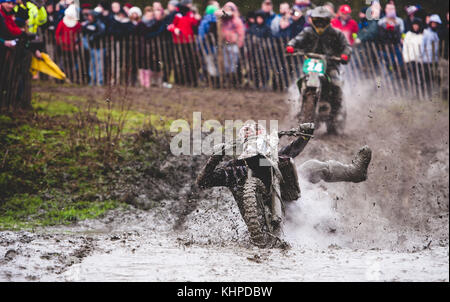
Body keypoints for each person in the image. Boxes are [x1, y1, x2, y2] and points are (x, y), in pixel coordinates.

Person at [196, 122, 372, 247]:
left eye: (259, 141)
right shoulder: (233, 169)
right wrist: (215, 158)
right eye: (251, 141)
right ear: (242, 145)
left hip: (293, 203)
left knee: (311, 166)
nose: (255, 146)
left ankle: (354, 172)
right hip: (257, 221)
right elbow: (202, 182)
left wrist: (304, 133)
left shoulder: (275, 157)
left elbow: (295, 148)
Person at [286, 6, 351, 135]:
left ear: (328, 21)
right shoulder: (307, 32)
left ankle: (336, 114)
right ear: (313, 20)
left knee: (336, 85)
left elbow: (346, 46)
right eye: (317, 20)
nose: (320, 23)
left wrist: (345, 54)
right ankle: (301, 108)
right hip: (312, 64)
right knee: (301, 82)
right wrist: (291, 46)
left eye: (323, 20)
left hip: (331, 65)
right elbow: (297, 39)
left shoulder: (336, 33)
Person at [81, 9, 105, 86]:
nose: (89, 17)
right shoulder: (87, 24)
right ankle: (92, 80)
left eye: (90, 16)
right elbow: (83, 34)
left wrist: (94, 36)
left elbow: (102, 32)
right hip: (91, 48)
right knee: (92, 65)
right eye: (88, 16)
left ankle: (99, 81)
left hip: (99, 48)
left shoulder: (99, 24)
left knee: (99, 65)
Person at [402, 17, 424, 97]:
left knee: (419, 78)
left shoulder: (421, 36)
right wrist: (405, 58)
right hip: (409, 59)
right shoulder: (408, 34)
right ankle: (411, 95)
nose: (415, 26)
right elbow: (405, 47)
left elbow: (423, 48)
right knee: (411, 78)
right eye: (414, 25)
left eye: (417, 25)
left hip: (419, 60)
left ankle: (419, 94)